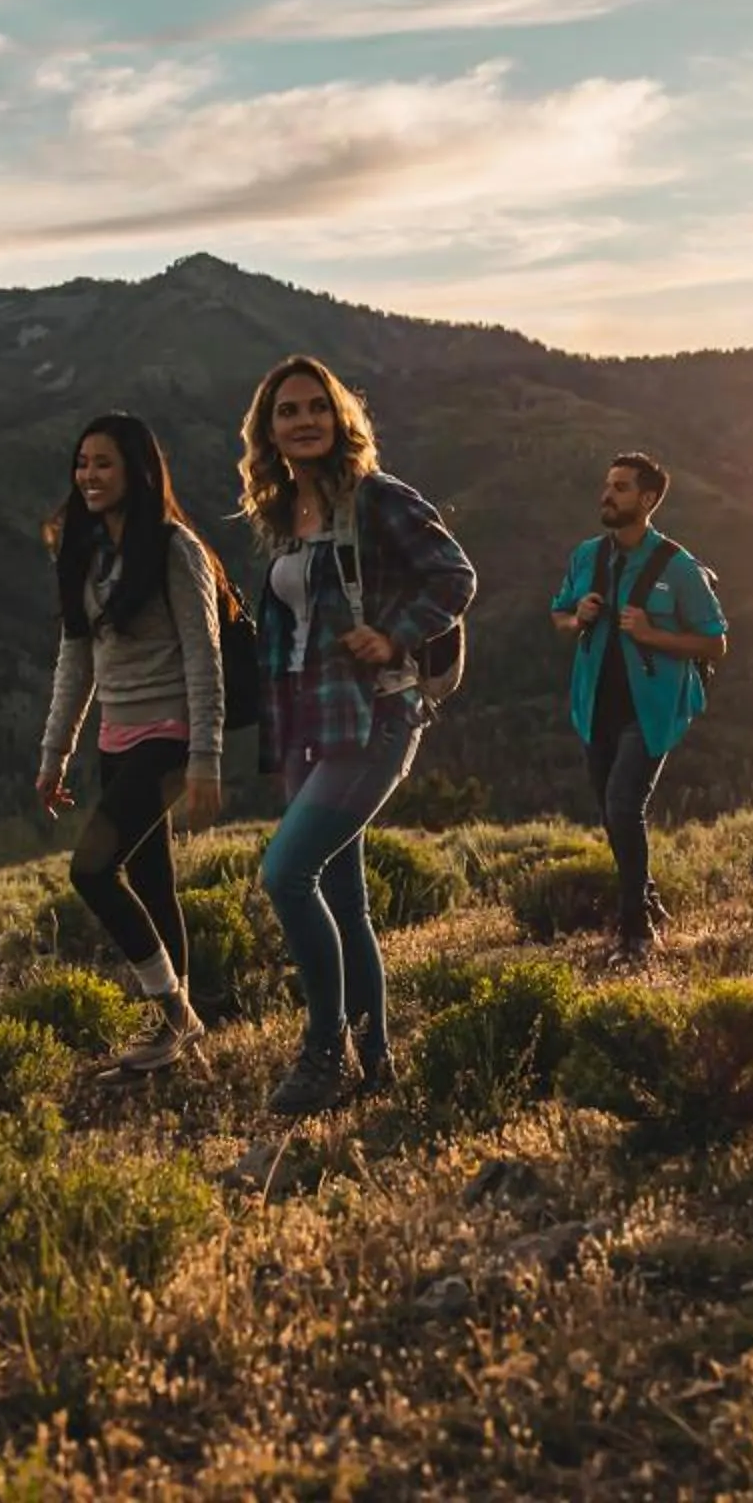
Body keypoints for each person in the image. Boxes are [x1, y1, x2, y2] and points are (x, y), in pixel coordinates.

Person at [239, 354, 476, 1115]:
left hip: (377, 714)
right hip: (309, 723)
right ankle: (374, 1063)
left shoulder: (376, 498)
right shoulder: (282, 517)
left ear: (341, 419)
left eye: (316, 407)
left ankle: (322, 1053)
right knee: (344, 899)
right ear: (267, 432)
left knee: (284, 875)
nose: (303, 421)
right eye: (287, 412)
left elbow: (454, 574)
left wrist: (393, 635)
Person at [36, 412, 226, 1074]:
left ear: (138, 471)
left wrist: (205, 757)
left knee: (90, 869)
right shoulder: (85, 553)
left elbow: (205, 657)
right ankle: (178, 1032)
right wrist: (54, 753)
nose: (88, 475)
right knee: (150, 878)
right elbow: (75, 661)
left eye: (104, 463)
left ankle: (175, 1013)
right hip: (116, 737)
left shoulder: (176, 550)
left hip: (169, 737)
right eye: (82, 463)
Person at [549, 452, 729, 965]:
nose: (607, 495)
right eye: (607, 485)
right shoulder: (587, 556)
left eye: (621, 488)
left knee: (625, 806)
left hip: (650, 709)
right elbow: (558, 613)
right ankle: (644, 896)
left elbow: (715, 643)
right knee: (611, 811)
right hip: (594, 706)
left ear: (647, 500)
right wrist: (575, 618)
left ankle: (636, 932)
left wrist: (653, 635)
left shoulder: (678, 565)